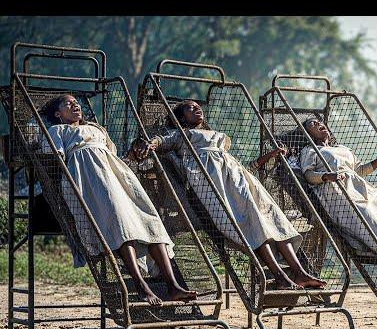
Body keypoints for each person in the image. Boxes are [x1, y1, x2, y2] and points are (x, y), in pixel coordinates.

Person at [131, 100, 325, 291]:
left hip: (237, 175)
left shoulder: (218, 137)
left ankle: (299, 271)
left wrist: (268, 156)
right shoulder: (182, 134)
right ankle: (279, 276)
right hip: (211, 181)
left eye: (198, 107)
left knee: (272, 215)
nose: (197, 108)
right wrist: (149, 144)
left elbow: (242, 164)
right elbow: (162, 141)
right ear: (181, 117)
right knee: (252, 221)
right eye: (190, 108)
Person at [41, 94, 196, 306]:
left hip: (116, 173)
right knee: (121, 225)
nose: (75, 104)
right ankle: (142, 287)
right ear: (58, 114)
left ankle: (173, 285)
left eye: (76, 102)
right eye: (68, 104)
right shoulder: (58, 130)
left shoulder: (97, 129)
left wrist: (133, 153)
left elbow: (114, 154)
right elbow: (56, 155)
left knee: (150, 220)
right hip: (89, 175)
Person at [299, 117, 377, 263]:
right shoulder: (309, 150)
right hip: (334, 190)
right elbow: (308, 175)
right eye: (312, 124)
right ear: (308, 134)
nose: (318, 124)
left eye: (319, 122)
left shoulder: (343, 148)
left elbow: (359, 171)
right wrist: (327, 176)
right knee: (369, 217)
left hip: (358, 187)